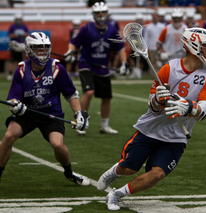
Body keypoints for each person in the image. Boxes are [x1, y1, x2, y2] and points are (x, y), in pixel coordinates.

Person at [96, 27, 206, 211]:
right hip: (151, 129)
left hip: (176, 136)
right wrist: (158, 99)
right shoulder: (169, 68)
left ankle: (117, 194)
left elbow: (205, 109)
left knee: (157, 174)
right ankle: (115, 171)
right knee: (129, 168)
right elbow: (152, 107)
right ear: (193, 46)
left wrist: (189, 107)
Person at [0, 32, 90, 186]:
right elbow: (13, 98)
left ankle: (69, 173)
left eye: (45, 48)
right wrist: (16, 106)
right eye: (38, 48)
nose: (42, 52)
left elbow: (71, 94)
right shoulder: (21, 70)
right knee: (9, 136)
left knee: (57, 144)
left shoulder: (57, 68)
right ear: (29, 50)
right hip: (28, 113)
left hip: (51, 114)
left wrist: (79, 114)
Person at [64, 2, 129, 135]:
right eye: (98, 13)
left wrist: (123, 63)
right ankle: (81, 122)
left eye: (103, 12)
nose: (101, 15)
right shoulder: (86, 28)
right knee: (89, 92)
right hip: (86, 65)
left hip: (102, 67)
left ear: (106, 13)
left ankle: (104, 126)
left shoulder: (111, 29)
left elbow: (120, 47)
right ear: (94, 14)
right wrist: (70, 52)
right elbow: (74, 43)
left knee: (107, 97)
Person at [7, 13, 29, 81]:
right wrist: (16, 35)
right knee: (12, 60)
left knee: (20, 61)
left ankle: (19, 74)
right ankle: (10, 74)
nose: (19, 21)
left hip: (21, 46)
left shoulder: (24, 26)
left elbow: (27, 34)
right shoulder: (12, 26)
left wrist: (23, 34)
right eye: (17, 19)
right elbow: (10, 35)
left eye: (20, 19)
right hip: (15, 45)